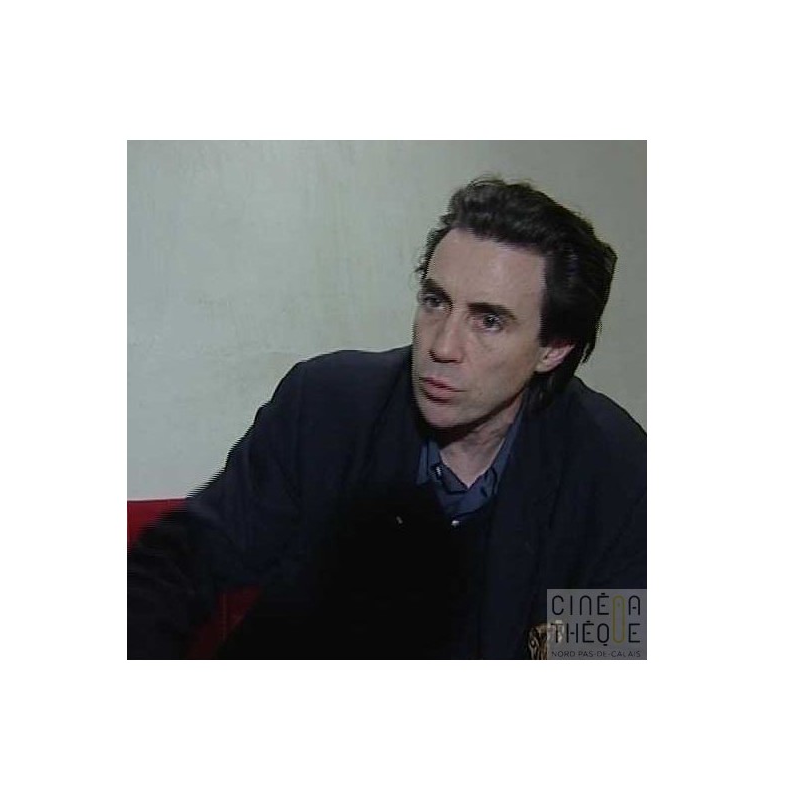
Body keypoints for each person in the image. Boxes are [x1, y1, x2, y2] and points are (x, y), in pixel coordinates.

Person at [128, 177, 646, 659]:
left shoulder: (616, 467)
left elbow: (604, 659)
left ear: (553, 348)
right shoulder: (327, 406)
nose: (442, 346)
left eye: (489, 321)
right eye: (436, 302)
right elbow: (180, 562)